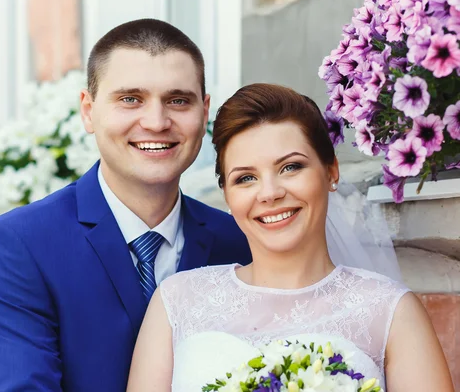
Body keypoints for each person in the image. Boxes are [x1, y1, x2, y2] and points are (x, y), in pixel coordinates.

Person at [0, 19, 252, 391]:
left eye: (178, 100)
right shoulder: (16, 247)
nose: (156, 121)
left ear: (204, 111)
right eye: (130, 99)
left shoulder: (240, 242)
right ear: (88, 110)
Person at [127, 84, 454, 391]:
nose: (269, 193)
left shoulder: (391, 311)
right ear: (227, 194)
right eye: (246, 178)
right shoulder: (176, 302)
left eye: (290, 167)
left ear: (331, 172)